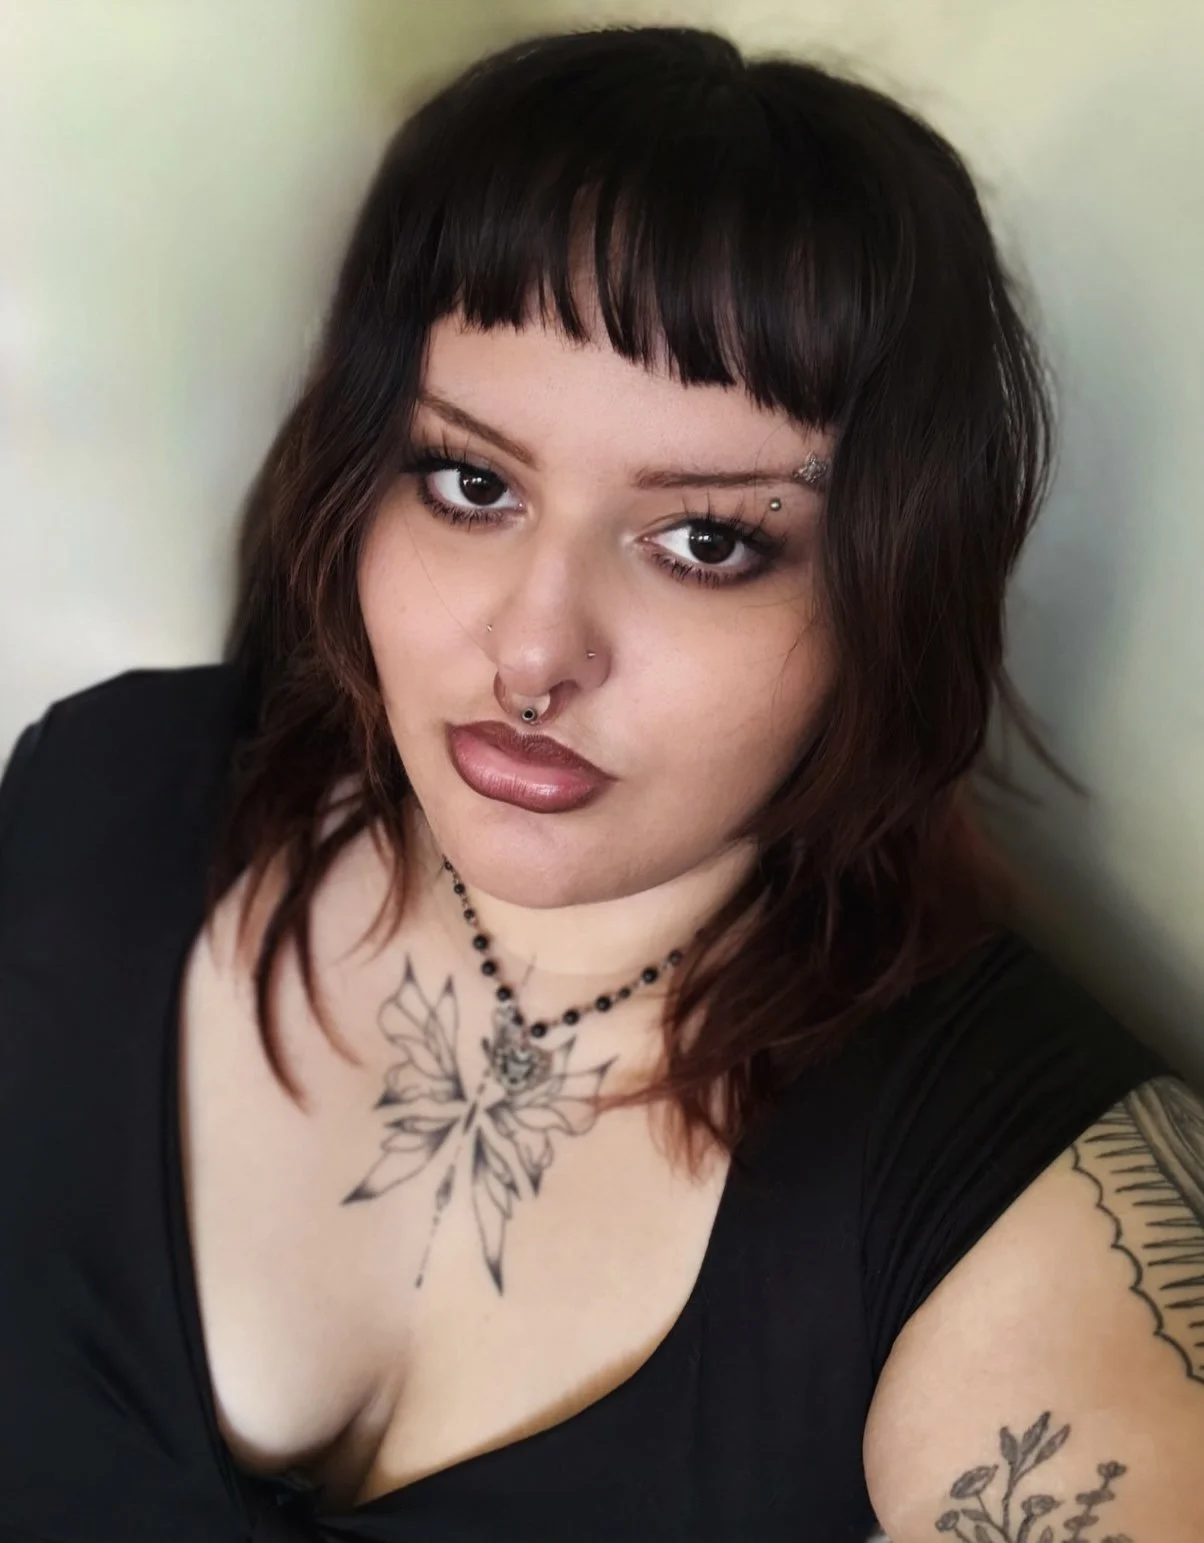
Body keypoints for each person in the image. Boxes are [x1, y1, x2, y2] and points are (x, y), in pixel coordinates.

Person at [0, 23, 1200, 1543]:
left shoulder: (1005, 1181)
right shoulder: (103, 800)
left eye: (707, 540)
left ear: (896, 593)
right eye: (471, 481)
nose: (533, 651)